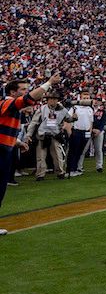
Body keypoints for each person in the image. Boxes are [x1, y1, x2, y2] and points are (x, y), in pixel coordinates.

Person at [0, 75, 60, 233]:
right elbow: (28, 98)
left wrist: (17, 142)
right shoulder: (8, 102)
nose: (27, 92)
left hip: (6, 149)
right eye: (23, 90)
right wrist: (49, 83)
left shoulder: (11, 107)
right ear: (13, 92)